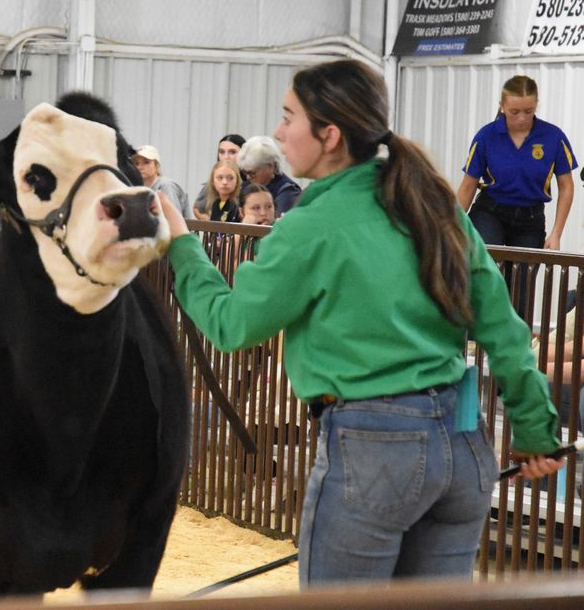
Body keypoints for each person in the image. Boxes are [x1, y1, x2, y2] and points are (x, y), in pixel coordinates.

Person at [158, 59, 565, 587]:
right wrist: (535, 429)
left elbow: (231, 324)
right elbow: (504, 329)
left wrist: (184, 247)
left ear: (328, 135)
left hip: (373, 452)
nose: (280, 133)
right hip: (463, 447)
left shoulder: (310, 226)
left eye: (288, 118)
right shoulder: (435, 202)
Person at [457, 75, 576, 251]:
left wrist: (556, 233)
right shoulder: (486, 136)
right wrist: (451, 227)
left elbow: (566, 186)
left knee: (523, 277)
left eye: (528, 111)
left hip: (531, 218)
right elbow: (467, 187)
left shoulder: (554, 137)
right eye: (514, 112)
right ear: (502, 106)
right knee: (488, 268)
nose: (521, 118)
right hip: (490, 212)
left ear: (536, 105)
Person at [238, 135, 302, 218]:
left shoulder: (288, 191)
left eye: (252, 173)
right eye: (245, 172)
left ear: (271, 167)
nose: (248, 177)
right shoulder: (246, 186)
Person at [194, 134, 246, 217]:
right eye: (221, 152)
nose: (226, 157)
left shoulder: (252, 182)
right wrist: (210, 223)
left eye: (232, 152)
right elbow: (197, 208)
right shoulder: (213, 183)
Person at [132, 144, 190, 217]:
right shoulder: (137, 188)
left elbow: (173, 218)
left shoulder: (166, 186)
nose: (140, 167)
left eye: (146, 162)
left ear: (156, 166)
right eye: (136, 164)